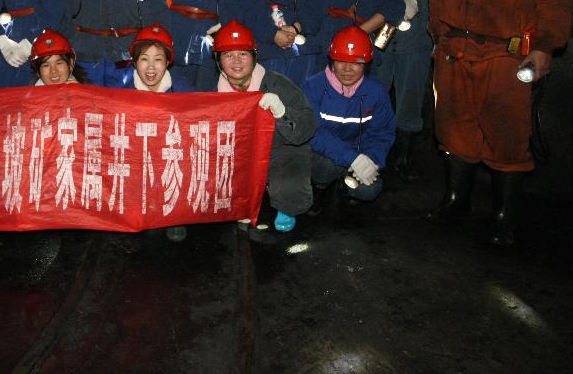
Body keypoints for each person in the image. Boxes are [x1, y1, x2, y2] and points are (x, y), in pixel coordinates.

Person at [428, 0, 572, 246]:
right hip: (455, 53)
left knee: (508, 136)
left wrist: (545, 46)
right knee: (453, 131)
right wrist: (439, 38)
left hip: (507, 57)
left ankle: (504, 214)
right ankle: (456, 201)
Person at [212, 20, 317, 233]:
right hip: (241, 155)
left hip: (280, 151)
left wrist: (281, 112)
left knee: (290, 187)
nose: (236, 61)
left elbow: (307, 128)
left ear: (254, 57)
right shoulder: (213, 93)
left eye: (243, 54)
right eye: (228, 55)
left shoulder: (278, 83)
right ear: (218, 60)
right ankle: (242, 201)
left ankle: (285, 205)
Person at [371, 0, 434, 176]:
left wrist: (419, 4)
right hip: (379, 45)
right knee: (375, 99)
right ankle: (375, 154)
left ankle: (404, 156)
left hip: (417, 44)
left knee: (410, 100)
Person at [303, 25, 395, 205]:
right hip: (322, 154)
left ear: (366, 63)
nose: (347, 69)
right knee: (326, 167)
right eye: (341, 61)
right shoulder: (313, 87)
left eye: (356, 62)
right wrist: (352, 158)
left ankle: (345, 188)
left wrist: (371, 160)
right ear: (332, 60)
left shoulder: (376, 91)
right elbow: (313, 132)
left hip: (357, 152)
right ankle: (320, 187)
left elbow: (382, 132)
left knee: (370, 189)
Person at [125, 23, 194, 93]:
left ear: (167, 62)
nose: (151, 67)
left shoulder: (184, 91)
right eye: (144, 59)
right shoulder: (124, 92)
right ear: (135, 62)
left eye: (158, 59)